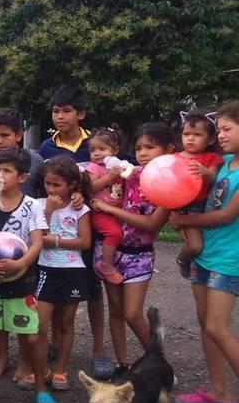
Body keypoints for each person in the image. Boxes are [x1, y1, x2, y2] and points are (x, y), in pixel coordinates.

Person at [38, 86, 112, 380]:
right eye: (56, 111)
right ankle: (56, 345)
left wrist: (84, 194)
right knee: (58, 294)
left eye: (66, 110)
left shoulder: (93, 144)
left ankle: (98, 351)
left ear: (80, 114)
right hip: (60, 226)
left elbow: (114, 175)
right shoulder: (46, 148)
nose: (60, 116)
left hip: (92, 224)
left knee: (93, 290)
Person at [0, 148, 56, 403]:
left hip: (24, 282)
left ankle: (41, 389)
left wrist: (20, 262)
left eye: (6, 171)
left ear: (22, 177)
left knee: (32, 336)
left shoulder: (32, 205)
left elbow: (37, 242)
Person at [91, 123, 173, 380]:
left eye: (150, 147)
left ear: (168, 150)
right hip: (111, 252)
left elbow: (151, 224)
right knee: (115, 312)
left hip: (140, 255)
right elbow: (100, 176)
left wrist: (112, 211)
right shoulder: (132, 174)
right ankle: (123, 364)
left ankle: (160, 364)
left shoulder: (170, 186)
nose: (143, 153)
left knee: (132, 313)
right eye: (138, 148)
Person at [171, 101, 239, 403]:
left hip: (230, 259)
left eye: (227, 129)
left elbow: (225, 216)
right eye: (220, 129)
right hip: (205, 254)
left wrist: (183, 220)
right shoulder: (224, 163)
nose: (220, 135)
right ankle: (218, 391)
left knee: (216, 326)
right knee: (204, 322)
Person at [33, 156, 92, 392]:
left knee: (67, 323)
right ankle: (40, 370)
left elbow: (85, 242)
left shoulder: (81, 208)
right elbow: (37, 236)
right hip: (46, 270)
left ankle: (61, 369)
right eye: (48, 183)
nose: (51, 189)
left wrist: (54, 241)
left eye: (57, 184)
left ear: (72, 185)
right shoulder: (38, 205)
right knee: (39, 325)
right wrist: (48, 211)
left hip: (73, 271)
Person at [173, 112, 223, 279]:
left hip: (206, 205)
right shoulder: (174, 158)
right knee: (195, 246)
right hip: (185, 207)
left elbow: (213, 180)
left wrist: (205, 173)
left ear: (210, 139)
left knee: (206, 244)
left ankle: (202, 270)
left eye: (197, 135)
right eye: (186, 134)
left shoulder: (212, 158)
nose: (190, 138)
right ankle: (183, 259)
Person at [85, 128, 134, 285]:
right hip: (99, 211)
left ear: (115, 150)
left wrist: (126, 170)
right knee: (114, 233)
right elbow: (92, 187)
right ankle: (106, 264)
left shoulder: (118, 166)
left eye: (102, 149)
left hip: (116, 211)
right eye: (93, 150)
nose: (97, 153)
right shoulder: (93, 168)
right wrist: (109, 176)